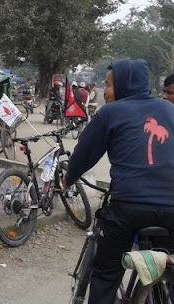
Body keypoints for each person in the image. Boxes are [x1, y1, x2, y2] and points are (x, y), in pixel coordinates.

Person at [64, 58, 174, 304]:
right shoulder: (170, 110)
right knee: (169, 269)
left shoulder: (110, 112)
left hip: (128, 208)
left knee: (106, 273)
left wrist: (68, 178)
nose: (106, 91)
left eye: (109, 84)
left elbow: (85, 153)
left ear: (126, 84)